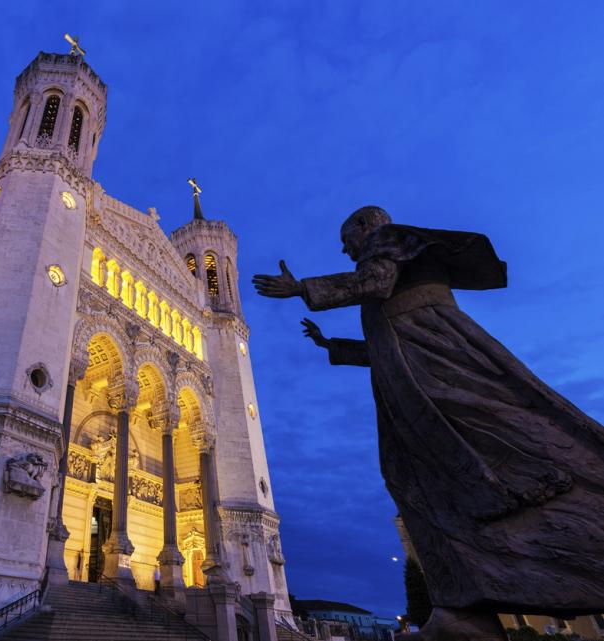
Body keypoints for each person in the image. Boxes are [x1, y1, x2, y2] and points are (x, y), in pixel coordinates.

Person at [253, 206, 604, 641]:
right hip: (410, 371)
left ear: (367, 226)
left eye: (348, 240)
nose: (346, 250)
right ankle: (462, 602)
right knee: (416, 474)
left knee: (463, 453)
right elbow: (383, 344)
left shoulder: (391, 239)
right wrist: (332, 345)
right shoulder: (393, 270)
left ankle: (475, 596)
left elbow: (376, 283)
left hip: (431, 366)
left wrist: (301, 288)